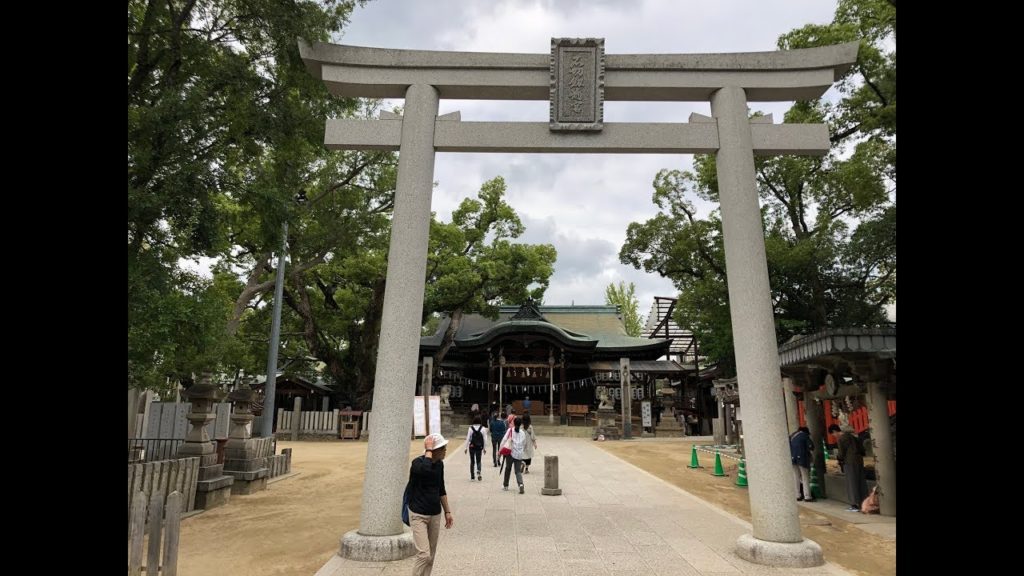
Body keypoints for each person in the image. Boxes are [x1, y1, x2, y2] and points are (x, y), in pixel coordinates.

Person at [407, 432, 454, 576]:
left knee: (431, 555)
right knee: (424, 554)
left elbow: (441, 488)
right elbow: (425, 471)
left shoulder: (439, 465)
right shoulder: (417, 464)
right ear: (434, 450)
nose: (445, 451)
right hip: (418, 515)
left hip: (435, 514)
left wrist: (447, 511)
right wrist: (428, 449)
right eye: (443, 448)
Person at [831, 423, 868, 512]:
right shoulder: (854, 437)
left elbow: (841, 454)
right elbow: (862, 449)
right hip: (859, 461)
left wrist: (839, 460)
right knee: (861, 481)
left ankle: (854, 504)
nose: (834, 436)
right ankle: (863, 502)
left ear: (835, 431)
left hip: (849, 462)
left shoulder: (841, 439)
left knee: (852, 483)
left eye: (833, 434)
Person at [502, 416, 527, 493]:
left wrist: (500, 450)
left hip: (510, 453)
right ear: (520, 424)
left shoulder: (510, 430)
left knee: (508, 469)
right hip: (519, 454)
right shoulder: (522, 433)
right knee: (518, 471)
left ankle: (506, 485)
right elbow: (524, 444)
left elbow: (504, 439)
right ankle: (521, 484)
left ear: (514, 422)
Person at [789, 425, 815, 502]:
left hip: (793, 459)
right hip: (802, 459)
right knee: (805, 477)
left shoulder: (791, 436)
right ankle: (807, 496)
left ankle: (797, 495)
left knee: (795, 476)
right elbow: (811, 446)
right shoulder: (804, 435)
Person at [464, 415, 486, 481]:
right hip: (479, 447)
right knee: (479, 460)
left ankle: (472, 476)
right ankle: (479, 471)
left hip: (472, 446)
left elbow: (468, 438)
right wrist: (484, 448)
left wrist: (465, 448)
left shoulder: (471, 428)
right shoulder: (483, 428)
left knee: (472, 461)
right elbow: (485, 439)